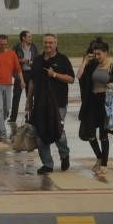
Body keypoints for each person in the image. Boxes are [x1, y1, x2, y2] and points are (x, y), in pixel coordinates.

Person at [25, 34, 75, 175]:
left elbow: (71, 79)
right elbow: (32, 82)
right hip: (40, 104)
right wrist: (29, 101)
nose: (48, 45)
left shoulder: (62, 59)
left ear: (56, 44)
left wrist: (54, 75)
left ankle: (64, 154)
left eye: (51, 43)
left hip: (58, 103)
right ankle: (47, 164)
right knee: (40, 134)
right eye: (46, 42)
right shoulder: (37, 60)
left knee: (57, 131)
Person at [78, 41, 113, 177]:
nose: (97, 56)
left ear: (106, 53)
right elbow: (80, 77)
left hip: (106, 103)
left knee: (103, 135)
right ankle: (99, 156)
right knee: (89, 134)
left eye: (99, 53)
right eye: (95, 54)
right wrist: (84, 62)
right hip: (92, 102)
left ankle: (104, 164)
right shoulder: (92, 66)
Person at [10, 30, 38, 122]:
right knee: (16, 96)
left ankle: (29, 117)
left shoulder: (33, 47)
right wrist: (20, 60)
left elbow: (38, 60)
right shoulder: (16, 47)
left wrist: (32, 63)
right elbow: (12, 59)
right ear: (23, 38)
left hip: (31, 73)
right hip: (20, 74)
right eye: (29, 37)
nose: (31, 38)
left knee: (30, 97)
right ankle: (13, 118)